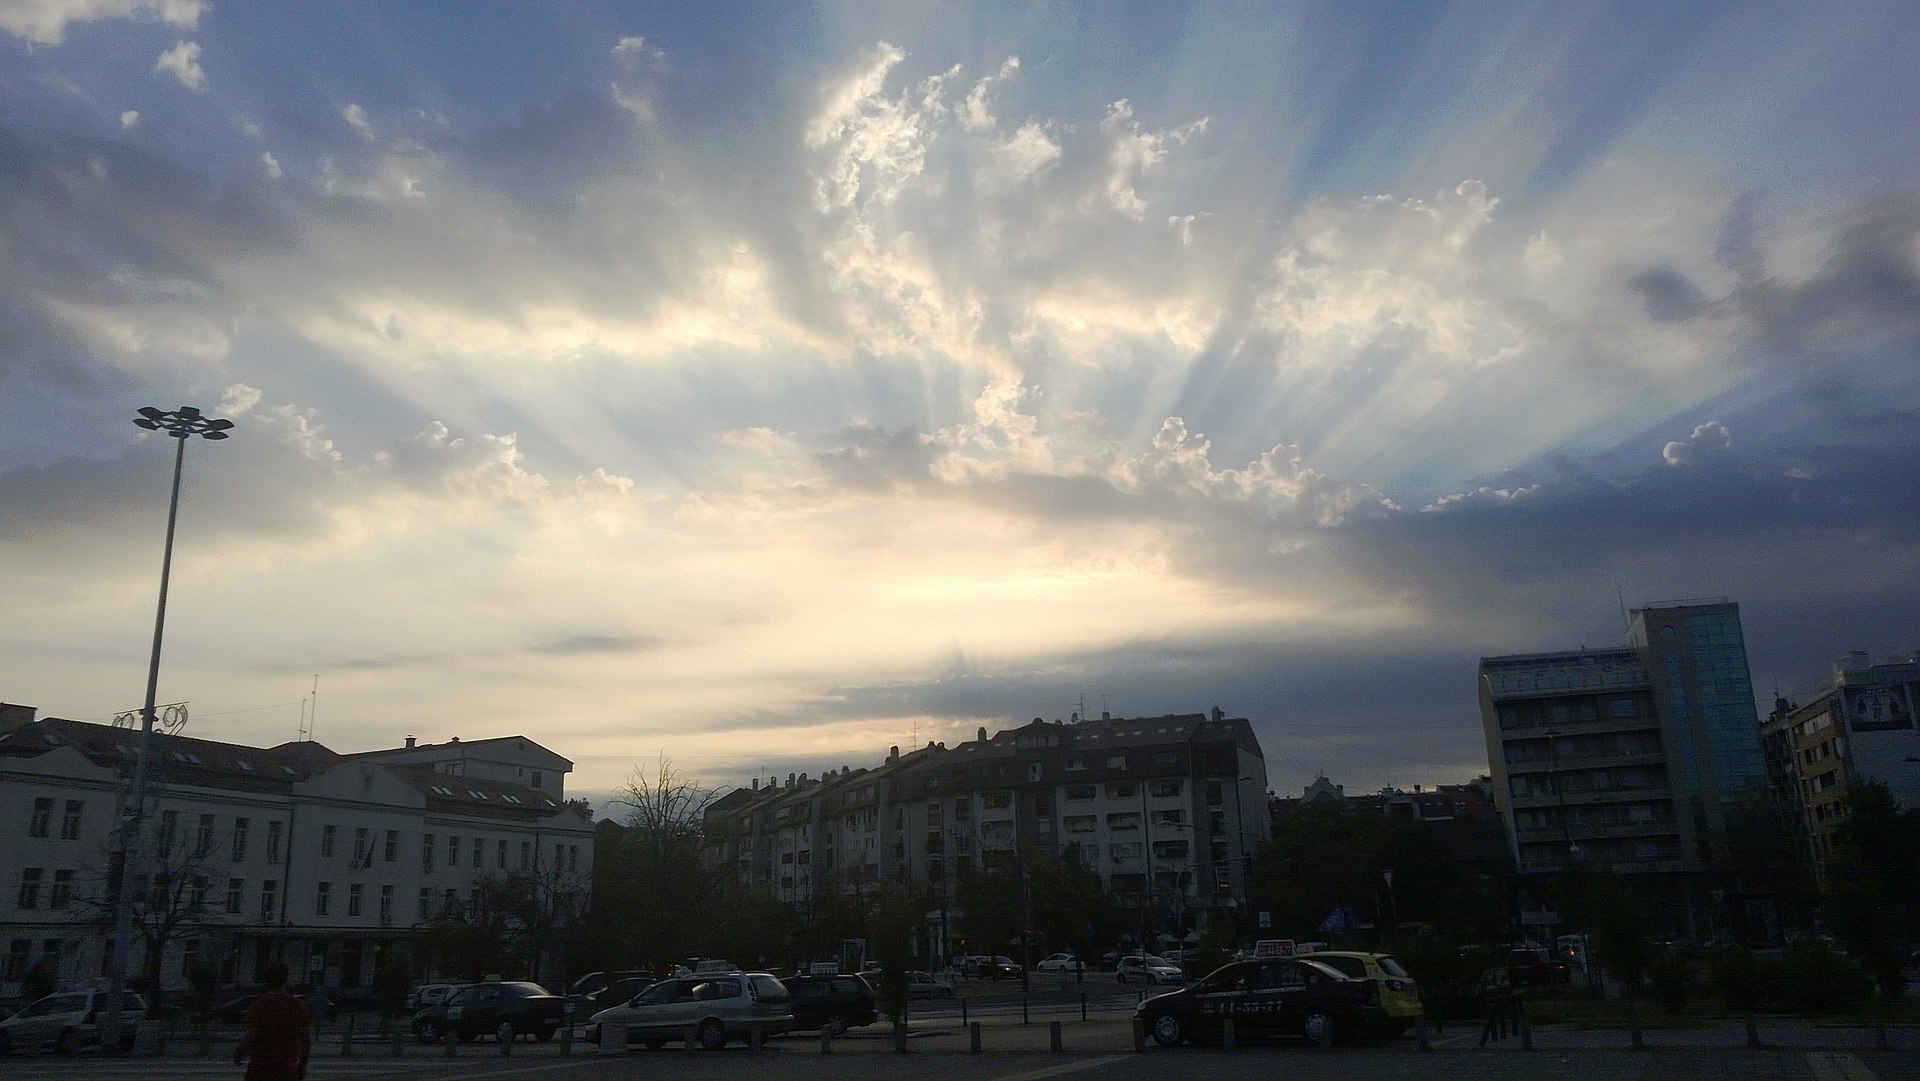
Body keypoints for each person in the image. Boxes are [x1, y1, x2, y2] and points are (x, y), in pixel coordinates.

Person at [234, 961, 311, 1081]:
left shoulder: (258, 1006)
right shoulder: (298, 1006)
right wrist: (302, 1066)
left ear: (267, 981)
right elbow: (305, 1039)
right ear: (285, 980)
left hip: (260, 1069)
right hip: (286, 1069)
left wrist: (238, 1054)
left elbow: (251, 1034)